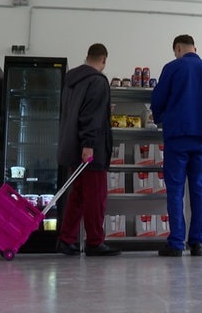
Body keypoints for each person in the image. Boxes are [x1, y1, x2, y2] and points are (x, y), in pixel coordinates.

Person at [150, 35, 202, 257]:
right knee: (200, 190)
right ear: (195, 48)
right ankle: (198, 243)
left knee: (175, 190)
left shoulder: (172, 68)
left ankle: (176, 243)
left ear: (178, 48)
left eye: (175, 52)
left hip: (177, 137)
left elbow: (157, 101)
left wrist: (160, 118)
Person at [56, 43, 121, 256]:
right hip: (91, 149)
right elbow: (90, 116)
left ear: (87, 57)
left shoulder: (71, 81)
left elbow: (76, 113)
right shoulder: (97, 81)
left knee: (78, 196)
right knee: (96, 196)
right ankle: (95, 242)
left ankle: (66, 239)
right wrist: (90, 145)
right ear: (104, 60)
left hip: (72, 146)